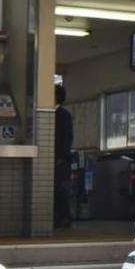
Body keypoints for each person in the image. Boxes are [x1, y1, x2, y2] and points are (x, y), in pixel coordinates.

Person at [53, 83, 74, 229]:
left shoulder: (63, 115)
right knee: (55, 189)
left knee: (59, 189)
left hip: (60, 159)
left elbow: (67, 138)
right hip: (56, 158)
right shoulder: (54, 113)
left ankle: (65, 218)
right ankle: (59, 217)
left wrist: (60, 157)